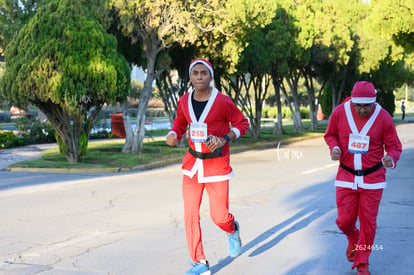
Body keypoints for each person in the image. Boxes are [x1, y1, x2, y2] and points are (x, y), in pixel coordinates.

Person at [166, 58, 249, 275]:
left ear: (210, 76)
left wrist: (225, 138)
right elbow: (180, 122)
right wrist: (174, 134)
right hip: (192, 166)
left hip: (216, 166)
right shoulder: (184, 100)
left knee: (219, 216)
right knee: (190, 213)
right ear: (190, 77)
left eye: (204, 73)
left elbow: (242, 123)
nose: (200, 77)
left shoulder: (222, 101)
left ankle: (232, 229)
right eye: (195, 73)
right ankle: (199, 262)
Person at [324, 81, 402, 275]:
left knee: (369, 222)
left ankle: (362, 263)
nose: (362, 109)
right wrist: (334, 148)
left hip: (373, 179)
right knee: (344, 221)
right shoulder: (340, 112)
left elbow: (394, 146)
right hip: (346, 176)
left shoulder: (383, 117)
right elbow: (330, 134)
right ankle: (353, 238)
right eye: (358, 105)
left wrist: (390, 159)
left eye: (367, 105)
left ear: (374, 102)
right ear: (353, 101)